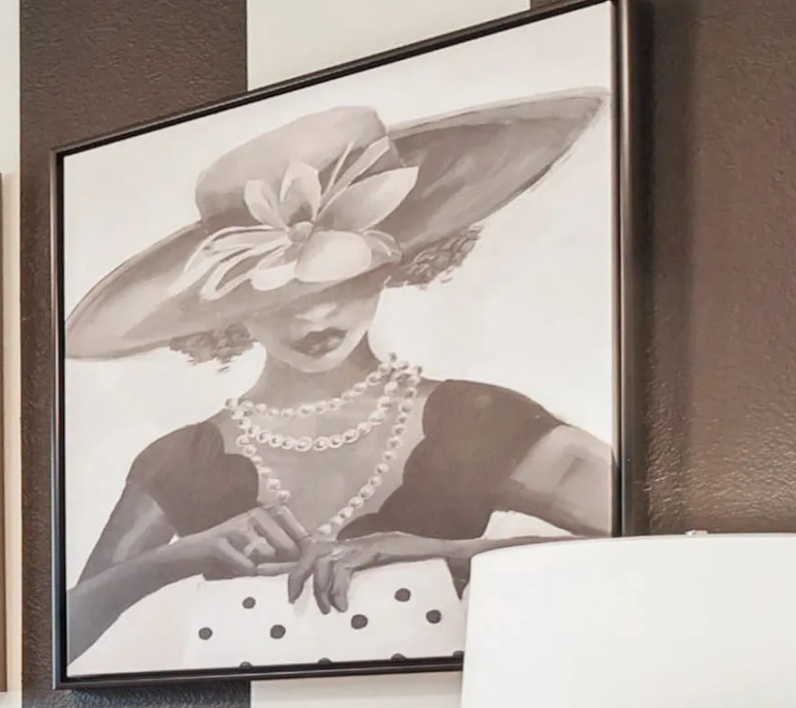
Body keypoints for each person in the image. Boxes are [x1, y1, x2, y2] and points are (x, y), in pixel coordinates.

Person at [62, 94, 614, 673]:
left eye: (344, 280)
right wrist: (179, 558)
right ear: (228, 310)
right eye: (276, 297)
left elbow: (656, 542)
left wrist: (448, 555)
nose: (314, 318)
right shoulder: (181, 460)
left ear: (389, 264)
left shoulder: (481, 422)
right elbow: (64, 639)